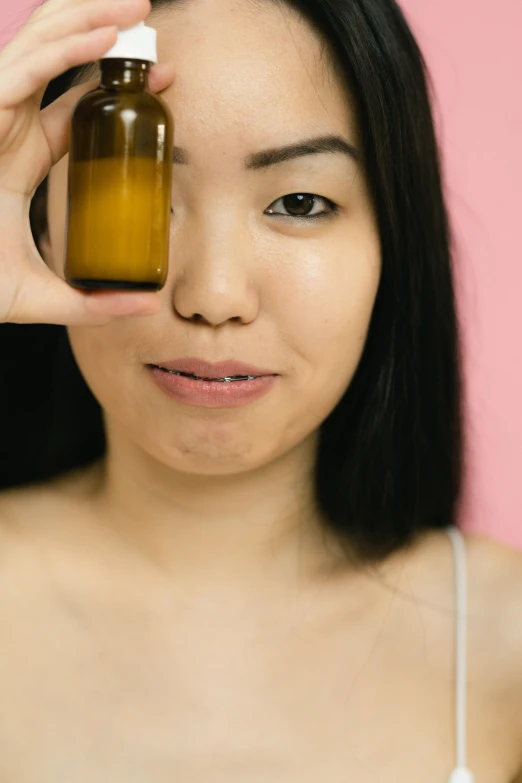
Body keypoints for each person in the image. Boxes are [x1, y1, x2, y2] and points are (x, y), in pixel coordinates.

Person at [0, 0, 520, 779]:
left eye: (300, 203)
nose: (213, 294)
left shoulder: (503, 637)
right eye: (139, 186)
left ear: (391, 244)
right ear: (38, 222)